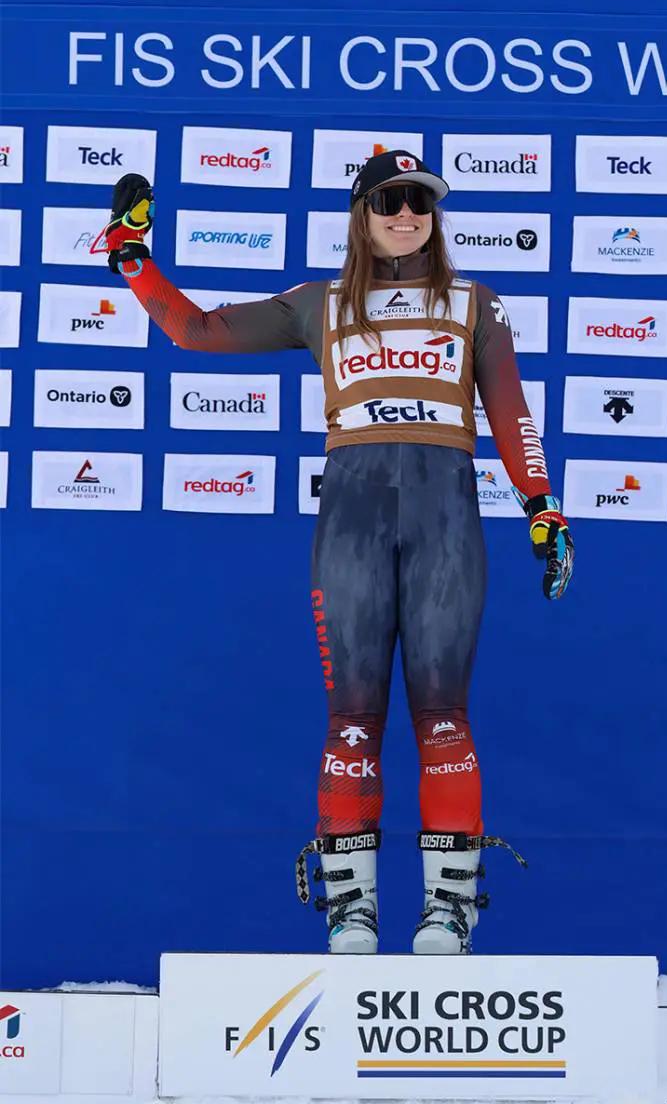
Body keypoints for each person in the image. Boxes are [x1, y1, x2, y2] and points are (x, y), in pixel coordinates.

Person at [98, 150, 574, 955]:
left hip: (445, 516)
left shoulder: (474, 305)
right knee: (353, 720)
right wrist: (132, 258)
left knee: (445, 719)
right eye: (389, 199)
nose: (406, 215)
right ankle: (352, 909)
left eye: (420, 203)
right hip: (351, 513)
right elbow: (196, 331)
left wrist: (542, 504)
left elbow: (511, 412)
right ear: (361, 212)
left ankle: (448, 910)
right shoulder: (319, 305)